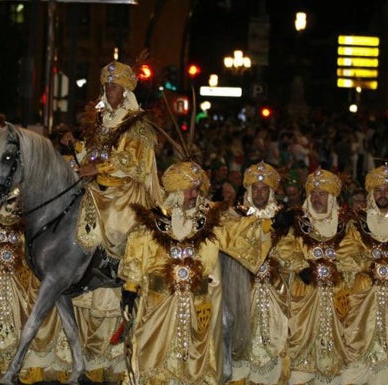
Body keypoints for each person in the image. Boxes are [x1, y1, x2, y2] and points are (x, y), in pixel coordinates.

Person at [119, 161, 266, 385]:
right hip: (160, 303)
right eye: (191, 190)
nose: (195, 195)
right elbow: (137, 256)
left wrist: (267, 227)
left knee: (195, 358)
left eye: (197, 190)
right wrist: (130, 288)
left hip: (198, 303)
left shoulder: (208, 221)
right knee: (156, 353)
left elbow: (237, 234)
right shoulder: (153, 222)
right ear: (177, 191)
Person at [72, 59, 163, 382]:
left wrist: (97, 169)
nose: (108, 91)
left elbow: (134, 162)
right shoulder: (100, 121)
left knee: (116, 221)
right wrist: (80, 154)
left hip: (125, 191)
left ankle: (116, 266)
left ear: (124, 92)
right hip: (97, 185)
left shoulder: (137, 123)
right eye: (106, 86)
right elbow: (92, 154)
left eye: (113, 87)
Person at [0, 187, 72, 384]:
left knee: (27, 316)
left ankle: (25, 365)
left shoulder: (33, 201)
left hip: (24, 273)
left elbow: (45, 231)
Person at [341, 164, 388, 384]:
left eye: (387, 191)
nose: (382, 195)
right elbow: (346, 254)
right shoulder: (357, 223)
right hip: (365, 295)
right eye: (378, 191)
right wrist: (367, 265)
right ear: (371, 194)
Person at [286, 169, 357, 385]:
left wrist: (336, 264)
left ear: (332, 197)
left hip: (336, 296)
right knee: (302, 363)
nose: (318, 198)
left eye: (323, 193)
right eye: (314, 193)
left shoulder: (345, 225)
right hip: (305, 295)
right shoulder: (297, 223)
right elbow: (285, 247)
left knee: (334, 364)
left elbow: (356, 251)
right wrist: (300, 267)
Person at [224, 161, 292, 384]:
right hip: (243, 290)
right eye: (255, 188)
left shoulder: (283, 218)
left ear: (271, 192)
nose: (260, 193)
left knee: (275, 339)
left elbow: (290, 254)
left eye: (264, 189)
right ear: (248, 191)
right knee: (243, 343)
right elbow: (235, 246)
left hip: (274, 292)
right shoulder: (236, 217)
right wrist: (268, 226)